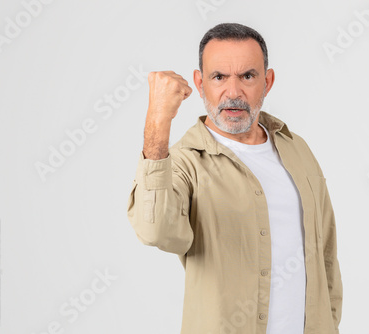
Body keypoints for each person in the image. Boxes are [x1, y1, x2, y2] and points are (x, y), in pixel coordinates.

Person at [126, 22, 343, 334]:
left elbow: (326, 254)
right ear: (200, 84)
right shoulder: (186, 162)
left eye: (248, 76)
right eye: (219, 77)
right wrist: (158, 120)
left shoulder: (296, 149)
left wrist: (329, 324)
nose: (234, 93)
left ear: (267, 82)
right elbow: (154, 230)